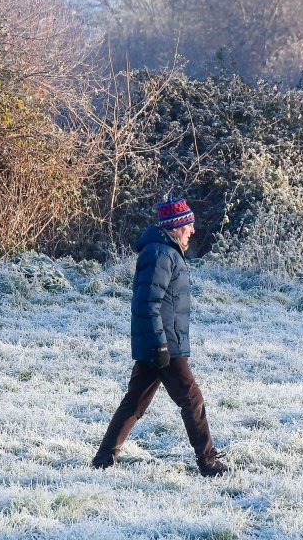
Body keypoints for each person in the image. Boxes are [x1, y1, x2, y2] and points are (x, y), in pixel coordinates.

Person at [92, 195, 228, 477]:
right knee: (191, 400)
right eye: (189, 225)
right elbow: (148, 302)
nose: (193, 230)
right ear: (176, 226)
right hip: (164, 343)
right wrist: (161, 344)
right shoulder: (160, 253)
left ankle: (103, 459)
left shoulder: (165, 251)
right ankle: (208, 462)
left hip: (160, 340)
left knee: (134, 403)